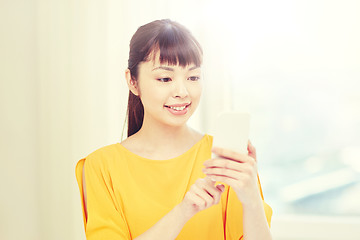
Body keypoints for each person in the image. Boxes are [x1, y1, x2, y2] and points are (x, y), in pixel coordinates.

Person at [75, 19, 273, 240]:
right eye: (165, 78)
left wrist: (252, 199)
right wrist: (184, 210)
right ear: (133, 82)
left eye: (193, 77)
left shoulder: (223, 159)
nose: (182, 91)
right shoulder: (102, 167)